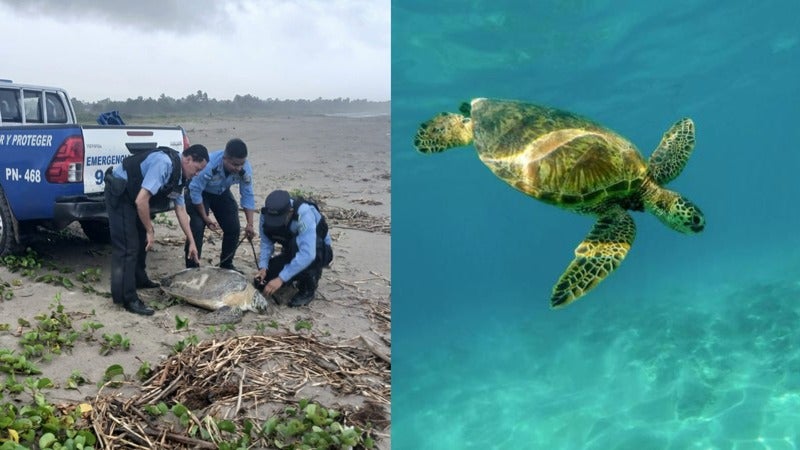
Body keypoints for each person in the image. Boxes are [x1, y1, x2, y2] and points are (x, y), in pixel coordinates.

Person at [104, 144, 209, 315]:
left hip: (135, 196)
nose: (197, 174)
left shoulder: (180, 176)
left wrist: (191, 241)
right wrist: (150, 230)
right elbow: (141, 201)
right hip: (121, 192)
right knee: (127, 247)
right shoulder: (164, 164)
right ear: (188, 159)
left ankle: (139, 278)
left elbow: (181, 210)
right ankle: (126, 298)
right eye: (197, 169)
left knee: (141, 239)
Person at [184, 138, 256, 270]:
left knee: (233, 227)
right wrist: (206, 218)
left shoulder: (245, 168)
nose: (239, 168)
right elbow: (195, 191)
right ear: (225, 158)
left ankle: (226, 264)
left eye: (242, 164)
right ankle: (192, 267)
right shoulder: (209, 165)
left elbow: (247, 194)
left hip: (220, 191)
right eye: (235, 165)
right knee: (198, 225)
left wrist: (250, 224)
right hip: (199, 192)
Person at [256, 190, 333, 307]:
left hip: (317, 252)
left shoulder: (304, 214)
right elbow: (266, 242)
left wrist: (281, 278)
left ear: (290, 212)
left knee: (298, 247)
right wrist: (263, 266)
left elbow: (308, 254)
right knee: (264, 280)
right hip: (291, 251)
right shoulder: (266, 213)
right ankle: (293, 273)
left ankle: (308, 286)